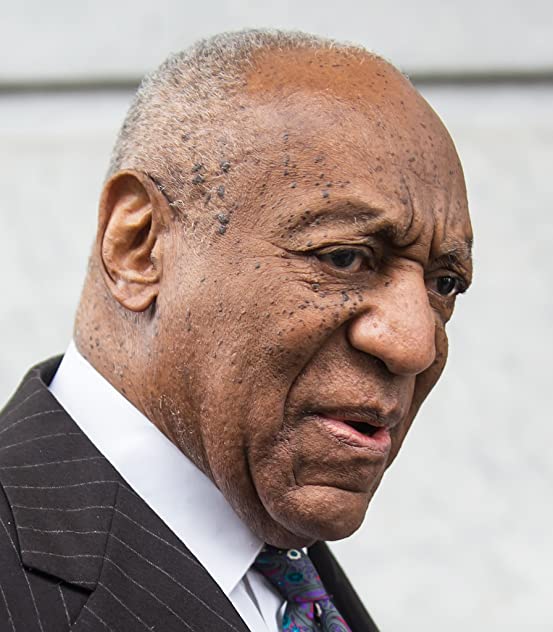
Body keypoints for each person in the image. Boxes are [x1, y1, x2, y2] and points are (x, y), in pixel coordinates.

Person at [0, 29, 473, 632]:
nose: (414, 345)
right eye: (344, 258)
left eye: (445, 284)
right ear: (138, 246)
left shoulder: (289, 577)